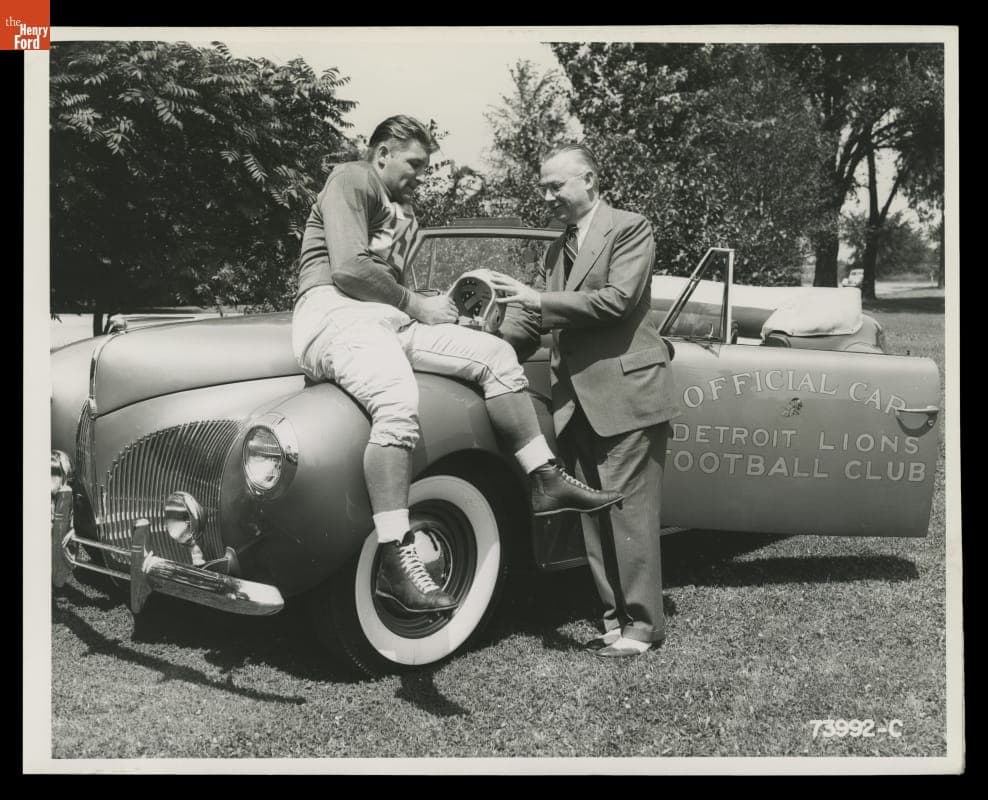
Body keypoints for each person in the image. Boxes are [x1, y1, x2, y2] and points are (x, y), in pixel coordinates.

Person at [291, 117, 623, 615]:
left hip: (384, 319)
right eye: (415, 164)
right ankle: (393, 554)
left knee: (494, 355)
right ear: (382, 153)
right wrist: (416, 304)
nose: (422, 175)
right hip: (334, 311)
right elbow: (347, 270)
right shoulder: (353, 177)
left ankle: (544, 477)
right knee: (398, 401)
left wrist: (433, 305)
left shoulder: (403, 210)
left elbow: (387, 283)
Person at [490, 143, 682, 657]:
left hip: (626, 394)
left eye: (557, 185)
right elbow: (536, 322)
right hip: (574, 401)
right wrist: (481, 338)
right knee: (594, 515)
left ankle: (643, 627)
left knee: (628, 510)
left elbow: (616, 302)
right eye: (544, 188)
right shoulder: (557, 249)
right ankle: (615, 621)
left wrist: (536, 299)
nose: (548, 196)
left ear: (590, 181)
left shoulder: (629, 227)